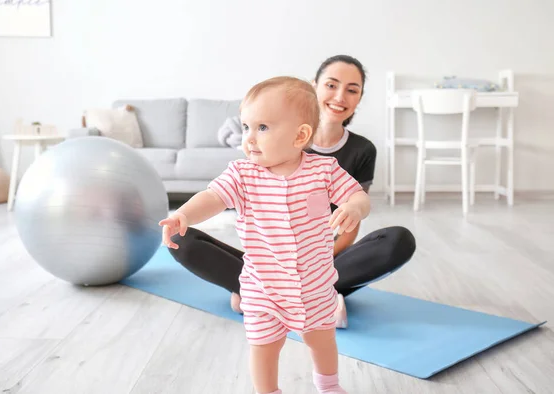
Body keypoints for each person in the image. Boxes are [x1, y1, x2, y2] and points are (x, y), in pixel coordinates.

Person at [167, 55, 416, 328]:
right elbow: (218, 196)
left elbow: (355, 209)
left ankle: (312, 293)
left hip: (323, 257)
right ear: (314, 87)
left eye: (352, 89)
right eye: (331, 85)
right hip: (268, 263)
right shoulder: (269, 145)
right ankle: (273, 292)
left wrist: (317, 261)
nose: (340, 96)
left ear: (359, 98)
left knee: (398, 240)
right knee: (182, 238)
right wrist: (184, 214)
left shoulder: (361, 150)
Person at [160, 76, 367, 394]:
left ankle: (329, 386)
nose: (249, 139)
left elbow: (357, 196)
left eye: (263, 128)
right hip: (263, 289)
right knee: (263, 347)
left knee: (321, 340)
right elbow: (212, 197)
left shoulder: (323, 171)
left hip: (315, 284)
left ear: (300, 136)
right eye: (246, 127)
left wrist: (354, 208)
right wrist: (183, 215)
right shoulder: (242, 175)